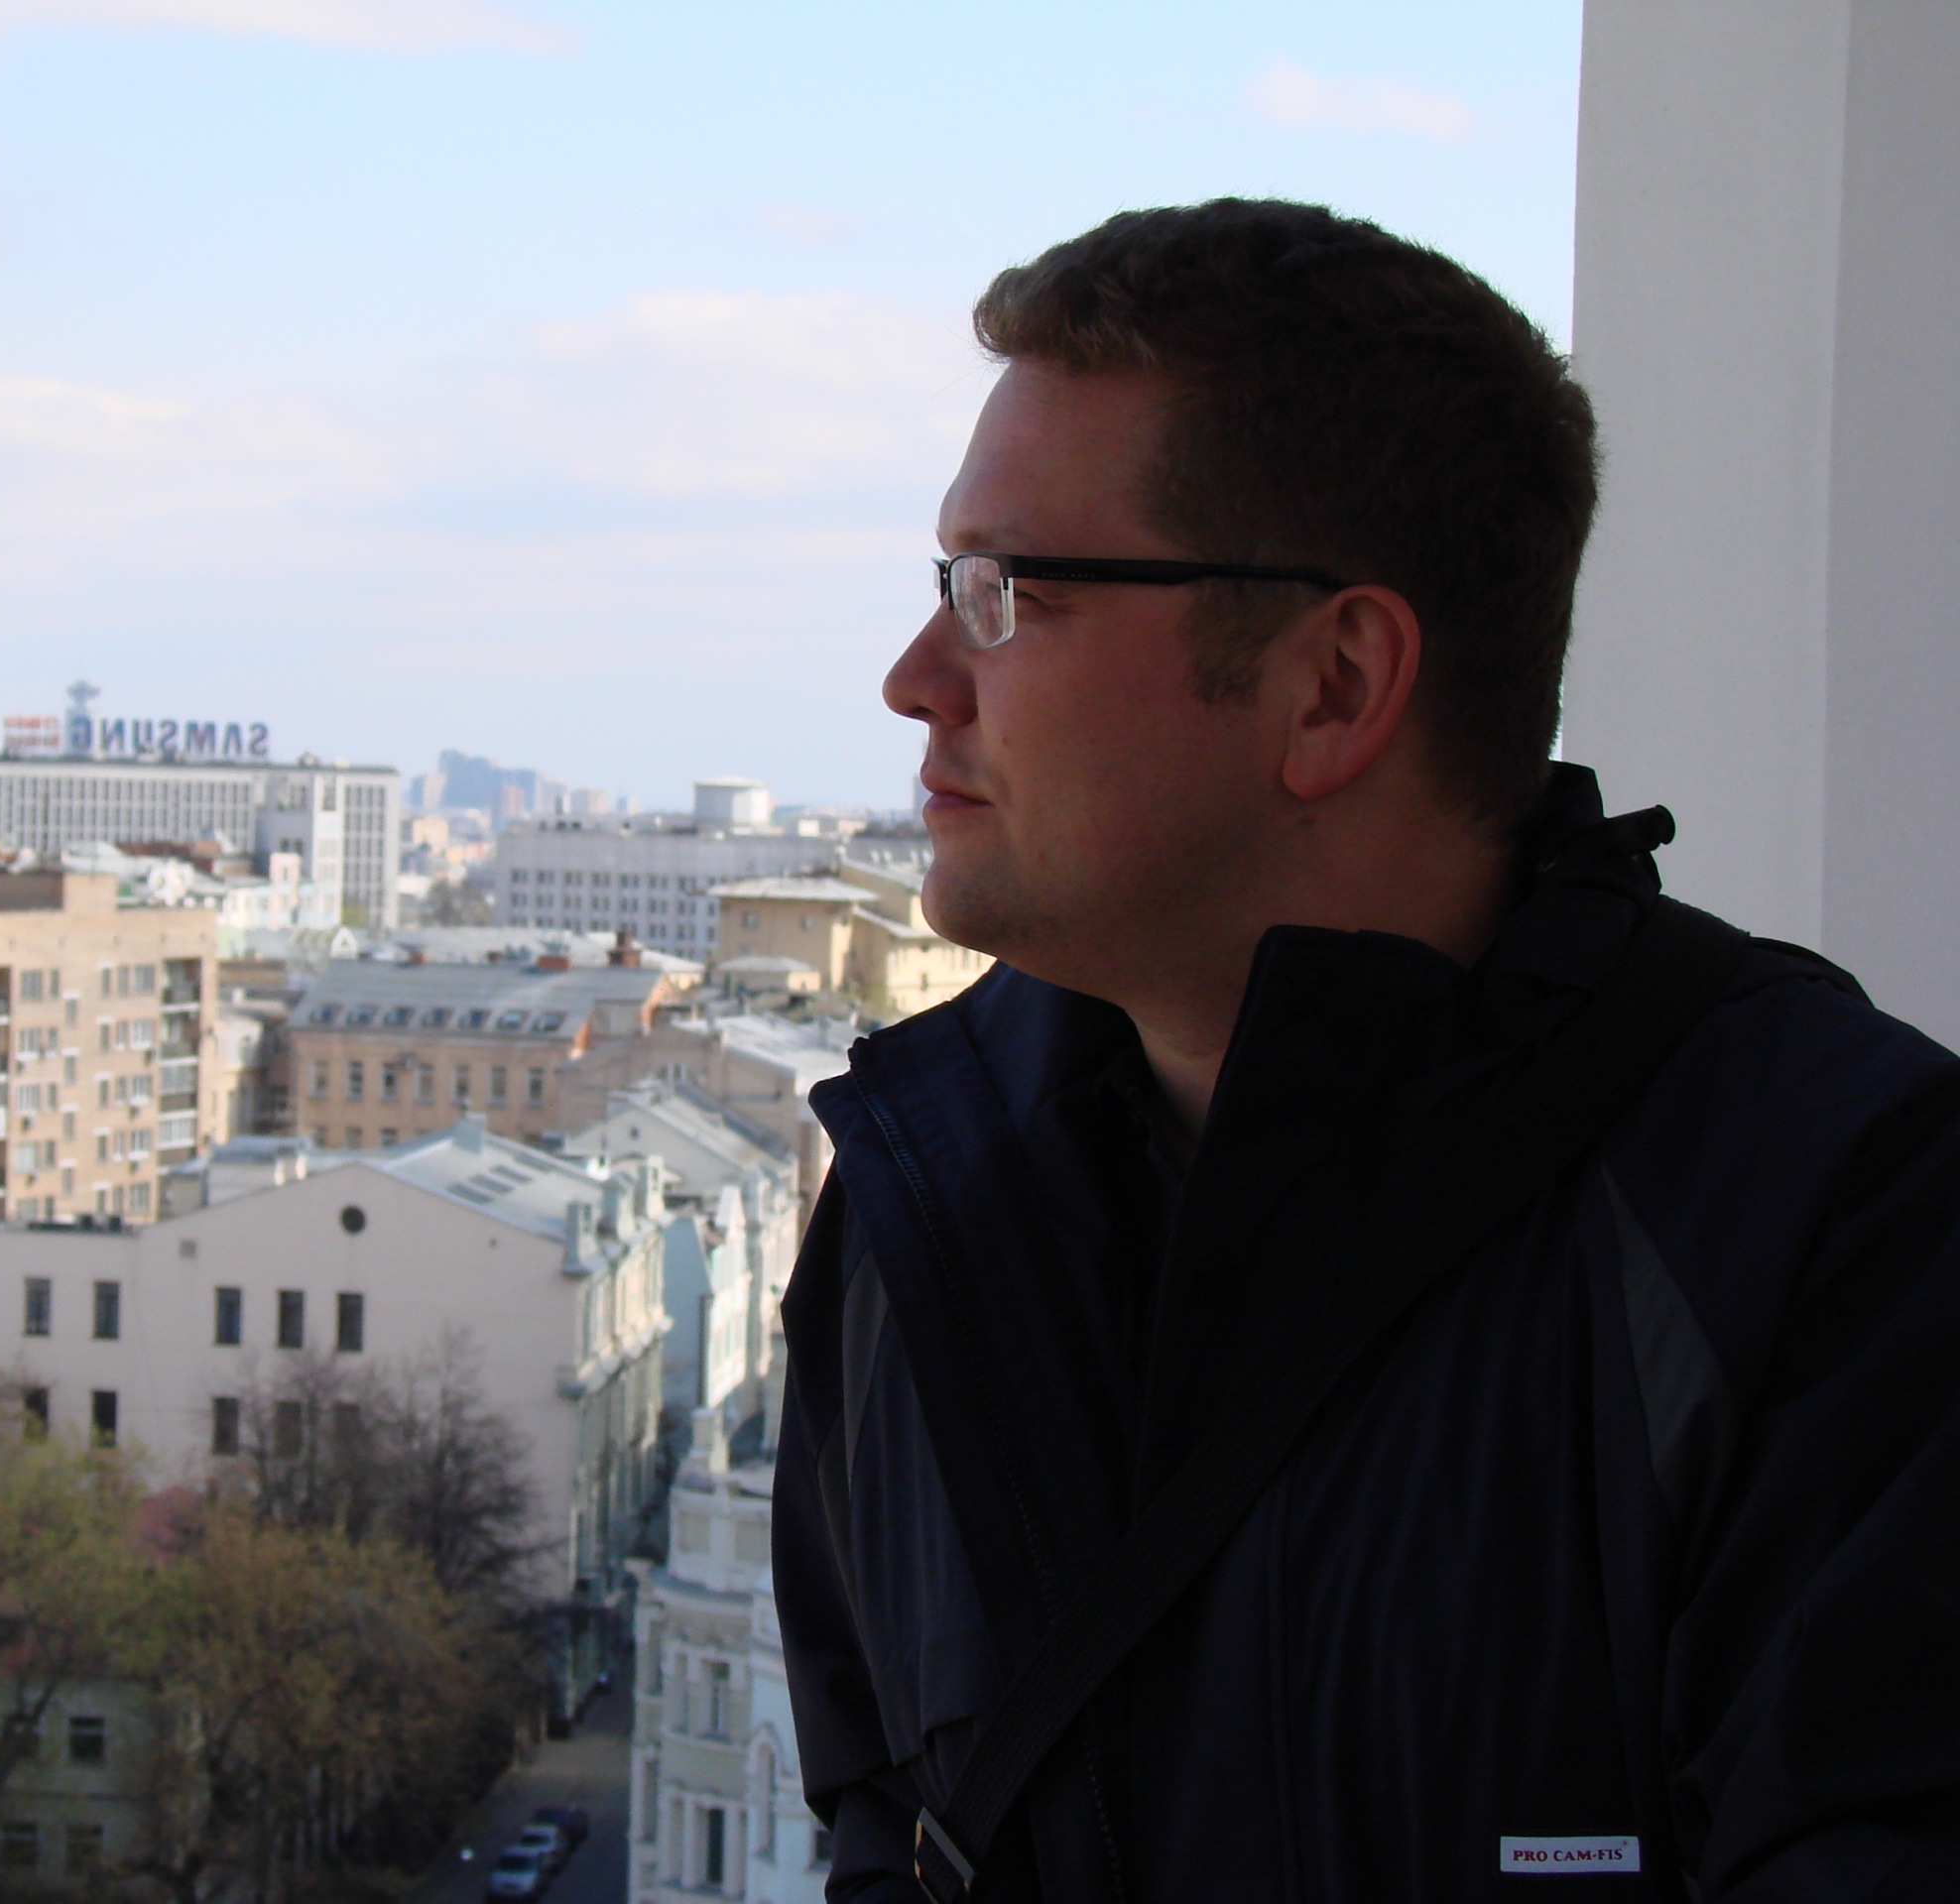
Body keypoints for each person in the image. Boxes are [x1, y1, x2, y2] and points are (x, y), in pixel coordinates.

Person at [772, 198, 1960, 1902]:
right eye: (943, 583)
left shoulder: (1834, 1232)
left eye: (1006, 591)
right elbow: (890, 1838)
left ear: (1334, 683)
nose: (915, 676)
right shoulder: (916, 1214)